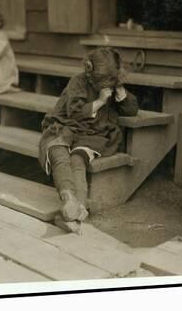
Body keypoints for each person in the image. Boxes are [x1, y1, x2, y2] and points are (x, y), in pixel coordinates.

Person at [38, 47, 139, 233]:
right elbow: (74, 112)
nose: (108, 84)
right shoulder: (78, 82)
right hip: (67, 124)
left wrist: (122, 94)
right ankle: (68, 196)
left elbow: (131, 110)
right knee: (57, 151)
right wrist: (100, 101)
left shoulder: (113, 84)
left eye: (112, 79)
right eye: (104, 81)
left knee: (78, 160)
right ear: (90, 73)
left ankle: (78, 209)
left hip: (93, 133)